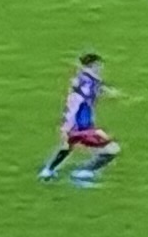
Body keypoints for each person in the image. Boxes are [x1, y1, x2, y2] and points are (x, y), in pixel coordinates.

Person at [39, 53, 123, 186]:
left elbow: (95, 88)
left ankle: (48, 171)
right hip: (81, 127)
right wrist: (68, 125)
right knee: (113, 149)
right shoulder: (86, 84)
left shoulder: (86, 80)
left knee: (67, 147)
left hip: (76, 126)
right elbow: (78, 99)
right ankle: (83, 173)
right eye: (98, 66)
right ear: (91, 66)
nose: (100, 68)